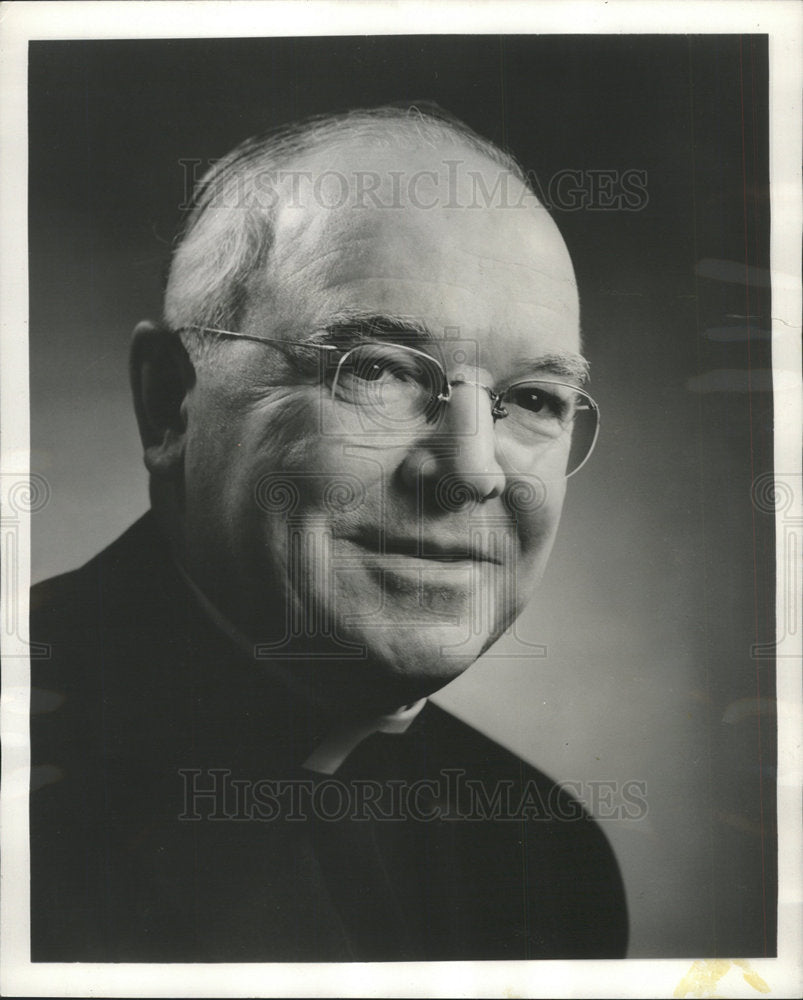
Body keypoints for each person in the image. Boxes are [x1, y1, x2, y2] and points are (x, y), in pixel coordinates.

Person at [30, 105, 628, 961]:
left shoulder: (548, 861)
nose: (473, 470)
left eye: (533, 398)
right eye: (377, 370)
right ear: (169, 402)